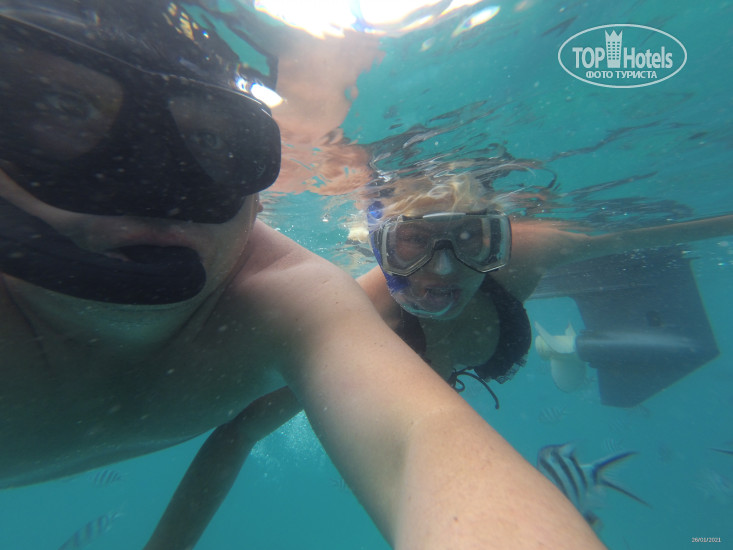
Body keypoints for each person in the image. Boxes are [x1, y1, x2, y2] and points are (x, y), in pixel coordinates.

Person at [0, 2, 607, 550]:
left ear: (257, 192)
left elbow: (420, 440)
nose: (154, 187)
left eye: (210, 139)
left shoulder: (287, 300)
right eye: (62, 108)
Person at [356, 162, 733, 400]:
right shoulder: (359, 311)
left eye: (469, 236)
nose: (443, 269)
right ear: (381, 249)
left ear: (496, 240)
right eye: (413, 240)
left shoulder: (520, 256)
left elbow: (646, 234)